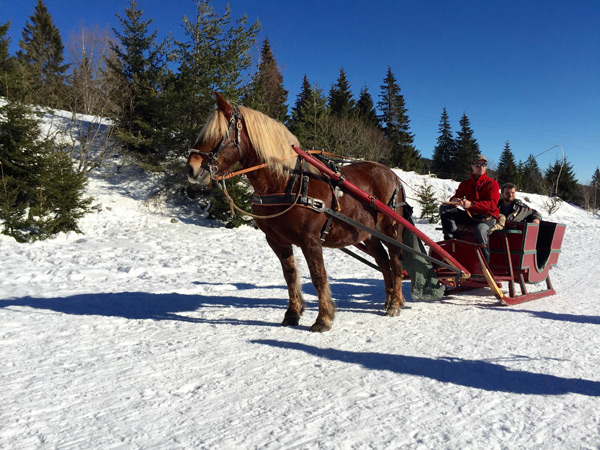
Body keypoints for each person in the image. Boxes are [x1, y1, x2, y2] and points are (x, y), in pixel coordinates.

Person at [439, 154, 500, 261]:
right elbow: (456, 196)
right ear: (472, 166)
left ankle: (485, 263)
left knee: (480, 230)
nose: (480, 167)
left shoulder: (492, 184)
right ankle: (451, 241)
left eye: (483, 164)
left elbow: (492, 205)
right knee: (445, 209)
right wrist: (454, 201)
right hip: (471, 216)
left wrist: (471, 204)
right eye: (477, 164)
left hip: (488, 218)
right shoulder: (465, 184)